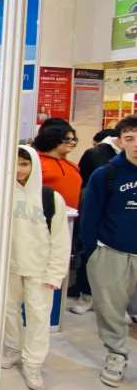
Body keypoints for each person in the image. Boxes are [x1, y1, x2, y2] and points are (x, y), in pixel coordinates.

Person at [1, 146, 70, 390]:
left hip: (39, 270)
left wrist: (55, 273)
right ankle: (12, 349)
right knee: (8, 312)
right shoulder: (1, 193)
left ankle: (33, 364)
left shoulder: (50, 198)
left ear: (34, 166)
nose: (19, 169)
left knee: (38, 318)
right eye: (15, 164)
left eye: (24, 164)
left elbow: (60, 239)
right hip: (8, 267)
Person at [79, 113, 137, 388]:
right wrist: (92, 251)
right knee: (111, 310)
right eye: (130, 138)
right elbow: (89, 215)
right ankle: (116, 354)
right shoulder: (106, 174)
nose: (136, 144)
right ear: (120, 141)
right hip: (112, 252)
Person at [69, 127, 120, 311]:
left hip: (123, 218)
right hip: (98, 215)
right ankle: (86, 296)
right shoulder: (96, 155)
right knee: (91, 254)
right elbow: (85, 187)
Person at [33, 123, 82, 210]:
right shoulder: (35, 162)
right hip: (42, 214)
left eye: (74, 139)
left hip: (71, 216)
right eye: (67, 139)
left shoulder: (73, 166)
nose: (73, 142)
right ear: (53, 139)